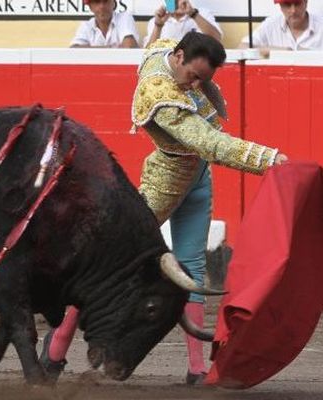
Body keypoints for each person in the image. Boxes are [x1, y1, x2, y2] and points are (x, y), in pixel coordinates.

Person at [40, 32, 288, 386]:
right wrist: (268, 158)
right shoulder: (160, 96)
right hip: (164, 185)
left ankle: (197, 367)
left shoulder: (164, 50)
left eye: (205, 79)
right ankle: (57, 346)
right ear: (180, 57)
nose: (197, 85)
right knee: (107, 263)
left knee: (194, 266)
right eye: (194, 76)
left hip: (198, 178)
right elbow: (209, 142)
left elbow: (156, 43)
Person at [240, 0, 323, 57]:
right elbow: (242, 47)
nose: (293, 10)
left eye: (297, 4)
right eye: (287, 4)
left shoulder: (320, 25)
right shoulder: (271, 25)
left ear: (306, 2)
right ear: (280, 6)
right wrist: (280, 52)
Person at [144, 0, 222, 47]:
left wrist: (193, 14)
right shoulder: (156, 21)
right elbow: (148, 54)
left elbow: (217, 40)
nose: (177, 2)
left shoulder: (202, 14)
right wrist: (158, 26)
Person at [70, 0, 139, 48]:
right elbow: (74, 49)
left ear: (113, 3)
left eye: (106, 1)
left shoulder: (124, 18)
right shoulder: (86, 26)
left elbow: (129, 46)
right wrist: (111, 47)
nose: (102, 6)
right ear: (90, 7)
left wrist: (90, 49)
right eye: (97, 2)